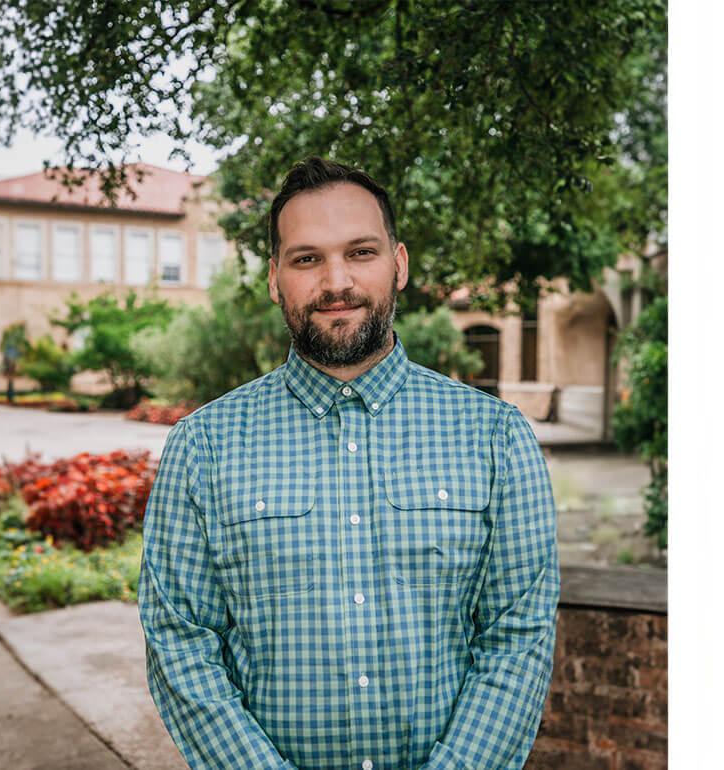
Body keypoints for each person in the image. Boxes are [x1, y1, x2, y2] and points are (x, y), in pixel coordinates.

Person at [138, 157, 560, 769]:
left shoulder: (495, 436)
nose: (336, 281)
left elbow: (517, 639)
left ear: (399, 263)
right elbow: (181, 643)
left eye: (360, 251)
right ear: (275, 279)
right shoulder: (204, 445)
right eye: (306, 258)